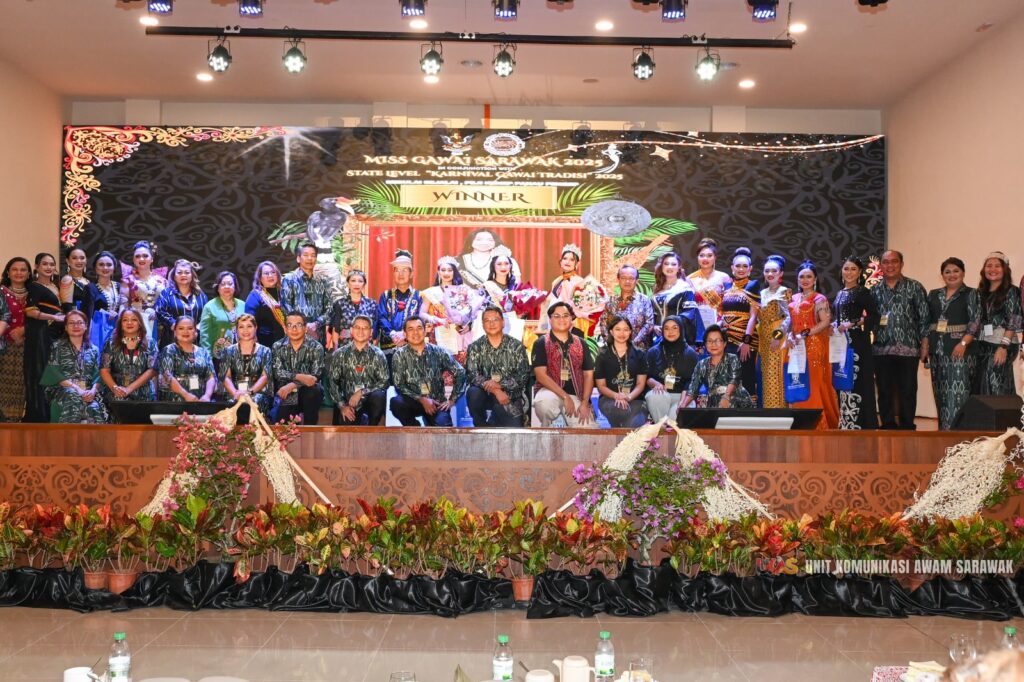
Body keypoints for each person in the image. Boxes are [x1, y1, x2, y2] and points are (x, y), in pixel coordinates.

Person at [871, 250, 929, 430]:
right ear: (880, 265)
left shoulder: (915, 287)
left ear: (901, 264)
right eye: (885, 262)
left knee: (908, 390)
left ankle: (907, 425)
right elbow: (870, 319)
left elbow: (924, 318)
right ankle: (887, 424)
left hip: (909, 348)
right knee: (884, 390)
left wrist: (925, 344)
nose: (890, 265)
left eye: (894, 261)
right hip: (881, 349)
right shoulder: (874, 289)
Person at [922, 258, 977, 430]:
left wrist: (963, 343)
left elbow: (975, 322)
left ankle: (958, 433)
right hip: (937, 351)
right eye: (947, 272)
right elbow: (926, 321)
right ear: (942, 275)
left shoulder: (971, 294)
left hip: (960, 351)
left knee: (958, 395)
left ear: (963, 273)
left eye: (956, 271)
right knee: (941, 394)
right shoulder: (933, 294)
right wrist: (925, 345)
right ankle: (943, 433)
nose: (952, 275)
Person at [787, 261, 840, 430]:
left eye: (808, 276)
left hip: (814, 345)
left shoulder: (819, 299)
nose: (805, 280)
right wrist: (789, 336)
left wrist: (805, 333)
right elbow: (790, 323)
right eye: (801, 277)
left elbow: (825, 321)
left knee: (813, 383)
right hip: (796, 347)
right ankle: (800, 423)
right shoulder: (794, 298)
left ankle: (818, 426)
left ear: (815, 279)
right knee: (798, 383)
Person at [390, 317, 467, 427]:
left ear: (425, 331)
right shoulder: (399, 355)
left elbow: (460, 372)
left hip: (436, 403)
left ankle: (433, 422)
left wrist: (452, 399)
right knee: (396, 403)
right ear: (405, 334)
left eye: (419, 328)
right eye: (411, 329)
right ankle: (414, 429)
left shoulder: (439, 352)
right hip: (413, 401)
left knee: (445, 430)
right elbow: (399, 384)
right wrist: (422, 399)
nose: (415, 332)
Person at [832, 256, 880, 430]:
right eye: (846, 268)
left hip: (857, 344)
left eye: (853, 269)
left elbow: (874, 316)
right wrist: (834, 325)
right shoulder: (840, 293)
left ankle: (861, 424)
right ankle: (846, 422)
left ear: (859, 272)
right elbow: (839, 318)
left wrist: (852, 323)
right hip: (841, 344)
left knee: (857, 381)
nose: (849, 272)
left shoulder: (862, 292)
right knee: (842, 380)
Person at [531, 301, 597, 428]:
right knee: (545, 404)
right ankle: (553, 422)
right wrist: (565, 397)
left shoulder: (581, 343)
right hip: (549, 392)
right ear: (550, 319)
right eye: (557, 316)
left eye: (566, 315)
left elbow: (588, 375)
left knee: (588, 429)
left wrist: (584, 403)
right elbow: (540, 375)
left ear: (572, 319)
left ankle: (566, 419)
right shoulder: (541, 343)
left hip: (576, 395)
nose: (562, 319)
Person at [465, 305, 532, 427]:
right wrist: (496, 390)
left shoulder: (516, 346)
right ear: (483, 325)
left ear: (503, 322)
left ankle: (496, 419)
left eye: (495, 319)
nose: (491, 324)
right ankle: (481, 427)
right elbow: (472, 374)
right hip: (484, 394)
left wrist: (500, 385)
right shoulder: (475, 347)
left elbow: (523, 375)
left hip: (509, 395)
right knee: (473, 393)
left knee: (514, 431)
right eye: (487, 320)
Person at [41, 310, 108, 423]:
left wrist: (92, 391)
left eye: (80, 322)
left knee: (94, 407)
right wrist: (77, 389)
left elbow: (98, 375)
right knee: (73, 395)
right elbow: (54, 372)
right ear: (66, 327)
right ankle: (67, 434)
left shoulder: (94, 349)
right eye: (71, 323)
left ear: (86, 326)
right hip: (62, 389)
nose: (76, 326)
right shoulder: (57, 347)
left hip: (87, 391)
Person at [973, 252, 1022, 396]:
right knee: (984, 384)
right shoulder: (980, 292)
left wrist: (1003, 347)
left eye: (997, 266)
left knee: (995, 383)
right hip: (984, 343)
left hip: (1003, 343)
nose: (992, 269)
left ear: (1005, 269)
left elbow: (1014, 320)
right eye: (989, 266)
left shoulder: (1012, 291)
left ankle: (1001, 411)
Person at [326, 314, 388, 426]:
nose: (361, 331)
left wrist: (362, 392)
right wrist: (342, 406)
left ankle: (371, 427)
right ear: (351, 330)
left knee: (379, 396)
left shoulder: (378, 355)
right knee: (345, 422)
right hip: (348, 402)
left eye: (365, 328)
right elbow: (332, 382)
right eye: (357, 327)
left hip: (370, 401)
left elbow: (384, 382)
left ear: (371, 332)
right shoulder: (340, 354)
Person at [24, 252, 64, 422]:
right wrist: (55, 317)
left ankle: (53, 413)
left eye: (52, 264)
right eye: (44, 264)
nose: (49, 267)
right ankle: (39, 415)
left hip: (55, 334)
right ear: (36, 267)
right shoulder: (34, 286)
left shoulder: (56, 286)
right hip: (40, 334)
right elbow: (31, 311)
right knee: (41, 370)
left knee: (54, 371)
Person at [420, 256, 484, 357]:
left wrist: (469, 325)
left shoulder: (463, 290)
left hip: (460, 333)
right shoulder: (431, 292)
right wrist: (437, 320)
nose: (446, 273)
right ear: (438, 272)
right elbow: (422, 313)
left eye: (450, 270)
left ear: (454, 272)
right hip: (440, 333)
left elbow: (473, 312)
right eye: (443, 270)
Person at [271, 311, 326, 425]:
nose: (294, 329)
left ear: (305, 328)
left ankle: (310, 429)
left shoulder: (316, 347)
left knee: (313, 391)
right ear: (285, 329)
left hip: (308, 392)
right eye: (290, 325)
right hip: (286, 392)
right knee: (284, 424)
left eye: (299, 325)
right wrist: (298, 376)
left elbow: (314, 377)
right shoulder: (277, 346)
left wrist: (293, 384)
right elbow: (278, 372)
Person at [679, 325, 753, 409]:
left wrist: (726, 396)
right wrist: (683, 406)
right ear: (705, 344)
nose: (713, 344)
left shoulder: (732, 358)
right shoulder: (701, 364)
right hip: (714, 403)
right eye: (709, 341)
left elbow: (734, 380)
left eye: (717, 340)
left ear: (724, 343)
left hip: (737, 400)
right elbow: (693, 388)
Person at [594, 315, 649, 428]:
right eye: (618, 329)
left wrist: (628, 397)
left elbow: (640, 384)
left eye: (625, 329)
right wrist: (616, 396)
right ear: (611, 332)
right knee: (621, 410)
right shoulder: (602, 355)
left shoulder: (640, 354)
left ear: (630, 332)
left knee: (636, 422)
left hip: (635, 399)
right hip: (610, 399)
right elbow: (601, 386)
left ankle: (622, 436)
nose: (622, 333)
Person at [721, 247, 760, 398]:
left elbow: (753, 316)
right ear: (732, 268)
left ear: (750, 269)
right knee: (728, 377)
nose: (741, 269)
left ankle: (749, 408)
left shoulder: (753, 285)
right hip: (727, 340)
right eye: (738, 266)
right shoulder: (727, 287)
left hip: (745, 340)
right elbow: (723, 313)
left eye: (745, 266)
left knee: (746, 377)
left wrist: (746, 341)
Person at [645, 315, 699, 423]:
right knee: (655, 396)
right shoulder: (653, 352)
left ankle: (664, 428)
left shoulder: (690, 354)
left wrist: (683, 402)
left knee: (675, 418)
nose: (670, 331)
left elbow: (692, 382)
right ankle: (661, 426)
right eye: (666, 328)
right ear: (662, 331)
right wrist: (656, 384)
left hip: (682, 396)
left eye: (675, 327)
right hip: (661, 394)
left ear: (681, 329)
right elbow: (646, 377)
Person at [754, 255, 791, 408]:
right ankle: (766, 413)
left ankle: (778, 412)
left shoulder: (784, 292)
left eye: (774, 271)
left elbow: (788, 317)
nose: (770, 274)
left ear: (780, 273)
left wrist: (777, 336)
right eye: (767, 271)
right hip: (763, 338)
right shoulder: (762, 293)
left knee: (776, 375)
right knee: (764, 376)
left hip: (778, 338)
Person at [99, 309, 157, 404]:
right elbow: (104, 370)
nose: (129, 323)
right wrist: (115, 388)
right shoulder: (110, 343)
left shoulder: (151, 343)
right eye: (125, 320)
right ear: (120, 324)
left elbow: (152, 370)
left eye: (134, 319)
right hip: (116, 393)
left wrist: (129, 389)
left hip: (144, 394)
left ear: (140, 323)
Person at [280, 241, 333, 344]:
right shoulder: (289, 279)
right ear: (298, 258)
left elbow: (329, 308)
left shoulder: (323, 281)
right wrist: (303, 325)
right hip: (295, 333)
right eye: (306, 255)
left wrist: (316, 324)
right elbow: (285, 306)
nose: (310, 258)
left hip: (317, 334)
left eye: (313, 255)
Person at [220, 314, 274, 415]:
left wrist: (249, 392)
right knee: (232, 404)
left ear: (255, 328)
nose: (245, 330)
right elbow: (226, 377)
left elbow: (265, 377)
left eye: (249, 326)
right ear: (236, 330)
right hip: (235, 393)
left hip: (256, 393)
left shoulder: (265, 351)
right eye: (241, 327)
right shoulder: (228, 351)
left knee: (254, 403)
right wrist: (236, 394)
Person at [377, 250, 423, 359]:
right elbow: (382, 317)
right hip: (389, 346)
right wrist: (393, 334)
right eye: (397, 270)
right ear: (393, 273)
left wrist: (405, 334)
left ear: (411, 273)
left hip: (412, 345)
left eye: (404, 270)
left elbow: (421, 319)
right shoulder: (385, 295)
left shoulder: (419, 296)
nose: (400, 274)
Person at [158, 316, 216, 402]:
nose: (185, 331)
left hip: (200, 401)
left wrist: (207, 396)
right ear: (175, 332)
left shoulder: (203, 352)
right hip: (174, 402)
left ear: (195, 332)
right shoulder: (169, 350)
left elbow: (211, 376)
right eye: (181, 328)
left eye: (190, 328)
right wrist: (186, 395)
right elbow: (167, 376)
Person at [0, 257, 30, 421]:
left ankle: (15, 422)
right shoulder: (1, 292)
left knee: (22, 385)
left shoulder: (35, 293)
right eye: (15, 269)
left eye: (23, 269)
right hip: (3, 347)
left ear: (29, 273)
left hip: (27, 347)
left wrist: (23, 331)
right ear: (8, 272)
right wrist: (10, 332)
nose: (19, 273)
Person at [650, 251, 701, 346]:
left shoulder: (685, 288)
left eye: (673, 264)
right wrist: (654, 326)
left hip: (678, 337)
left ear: (678, 268)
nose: (669, 267)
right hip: (657, 338)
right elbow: (652, 314)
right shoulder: (657, 288)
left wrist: (670, 327)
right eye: (666, 264)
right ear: (662, 267)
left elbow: (690, 313)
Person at [600, 265, 655, 350]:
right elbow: (603, 324)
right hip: (614, 350)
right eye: (623, 278)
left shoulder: (644, 300)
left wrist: (632, 343)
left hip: (638, 350)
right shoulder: (610, 301)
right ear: (618, 279)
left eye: (631, 278)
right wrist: (612, 343)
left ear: (636, 280)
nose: (627, 281)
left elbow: (649, 324)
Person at [155, 259, 207, 348]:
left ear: (192, 275)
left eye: (187, 272)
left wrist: (196, 329)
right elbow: (159, 311)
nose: (183, 275)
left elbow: (206, 316)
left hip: (195, 341)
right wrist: (175, 325)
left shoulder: (201, 295)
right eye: (179, 272)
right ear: (174, 276)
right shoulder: (166, 293)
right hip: (171, 340)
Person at [121, 240, 166, 340]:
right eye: (137, 256)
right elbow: (123, 306)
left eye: (145, 256)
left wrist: (158, 313)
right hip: (137, 325)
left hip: (161, 325)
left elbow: (168, 304)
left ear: (152, 259)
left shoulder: (162, 281)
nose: (141, 259)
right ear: (133, 260)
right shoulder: (128, 281)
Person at [199, 271, 245, 363]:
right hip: (218, 356)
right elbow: (205, 336)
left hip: (241, 354)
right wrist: (208, 359)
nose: (227, 287)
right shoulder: (209, 307)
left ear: (235, 287)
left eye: (230, 284)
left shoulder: (243, 305)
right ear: (218, 288)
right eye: (223, 284)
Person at [688, 238, 733, 331]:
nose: (705, 259)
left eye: (709, 255)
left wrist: (721, 323)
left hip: (719, 325)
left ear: (715, 257)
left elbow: (730, 305)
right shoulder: (690, 279)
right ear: (697, 257)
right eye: (702, 255)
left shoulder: (724, 278)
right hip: (697, 326)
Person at [539, 244, 585, 332]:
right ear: (561, 262)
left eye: (572, 259)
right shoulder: (556, 281)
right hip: (554, 324)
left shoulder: (580, 282)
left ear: (577, 264)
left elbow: (581, 308)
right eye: (565, 258)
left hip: (571, 326)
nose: (567, 261)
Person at [457, 228, 522, 288]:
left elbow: (516, 286)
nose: (484, 243)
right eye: (479, 239)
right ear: (471, 242)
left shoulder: (507, 261)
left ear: (495, 242)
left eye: (489, 240)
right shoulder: (458, 261)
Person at [245, 261, 287, 350]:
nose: (270, 276)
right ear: (260, 278)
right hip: (264, 343)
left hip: (286, 341)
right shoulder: (255, 295)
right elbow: (248, 321)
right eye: (266, 273)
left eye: (273, 272)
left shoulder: (284, 293)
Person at [328, 270, 377, 347]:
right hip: (345, 347)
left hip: (366, 347)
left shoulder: (372, 304)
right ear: (348, 283)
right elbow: (336, 331)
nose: (356, 284)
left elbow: (375, 331)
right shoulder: (340, 303)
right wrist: (336, 350)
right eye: (353, 281)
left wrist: (374, 348)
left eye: (360, 281)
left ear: (364, 284)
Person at [89, 251, 123, 350]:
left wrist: (117, 313)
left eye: (109, 265)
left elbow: (124, 307)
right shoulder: (90, 288)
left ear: (114, 268)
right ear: (95, 268)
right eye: (101, 265)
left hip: (117, 329)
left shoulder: (118, 286)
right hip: (97, 330)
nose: (105, 268)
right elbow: (87, 314)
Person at [59, 246, 96, 321]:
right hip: (75, 322)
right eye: (74, 258)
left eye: (82, 258)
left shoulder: (87, 281)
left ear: (86, 260)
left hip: (88, 321)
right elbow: (67, 307)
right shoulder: (67, 279)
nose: (79, 261)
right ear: (67, 261)